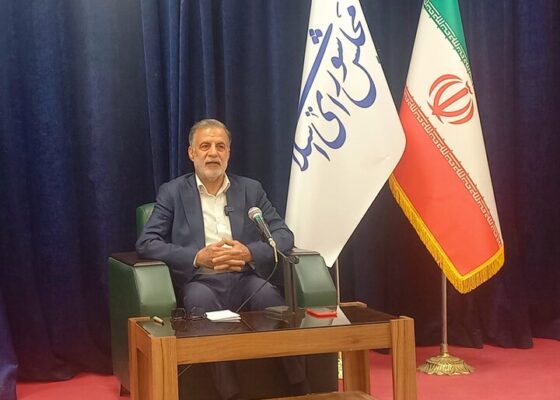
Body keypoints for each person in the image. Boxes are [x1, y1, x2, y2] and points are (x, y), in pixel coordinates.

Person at [136, 118, 308, 400]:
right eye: (205, 146)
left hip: (245, 278)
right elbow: (147, 242)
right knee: (200, 302)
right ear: (192, 153)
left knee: (269, 297)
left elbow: (283, 235)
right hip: (200, 281)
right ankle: (230, 394)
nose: (213, 153)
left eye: (220, 146)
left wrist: (249, 252)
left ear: (229, 152)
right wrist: (197, 256)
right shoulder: (173, 192)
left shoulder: (251, 189)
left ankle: (299, 386)